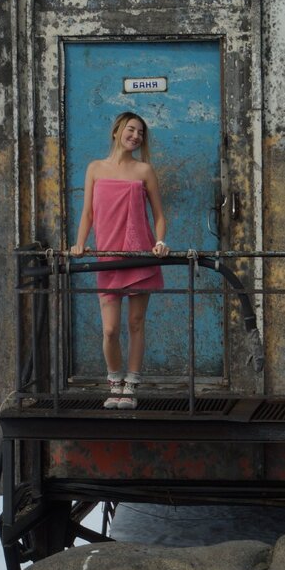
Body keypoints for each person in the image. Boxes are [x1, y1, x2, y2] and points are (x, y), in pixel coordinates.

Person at [69, 111, 169, 409]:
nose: (136, 136)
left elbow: (159, 216)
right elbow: (88, 213)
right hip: (108, 258)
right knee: (110, 329)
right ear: (116, 131)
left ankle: (131, 387)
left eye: (140, 133)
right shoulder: (95, 169)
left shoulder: (144, 170)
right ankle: (114, 383)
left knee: (136, 323)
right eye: (131, 129)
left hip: (139, 256)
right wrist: (80, 244)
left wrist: (160, 242)